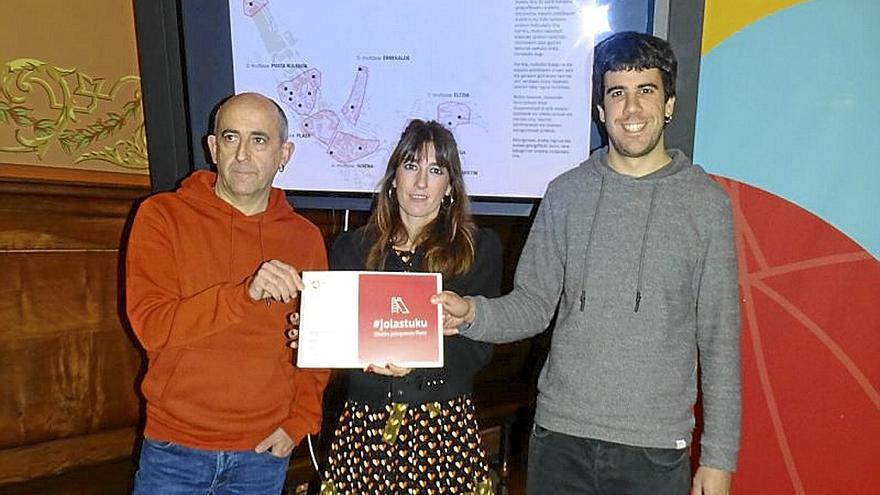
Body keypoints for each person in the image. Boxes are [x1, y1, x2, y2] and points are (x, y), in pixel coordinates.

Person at [434, 32, 741, 495]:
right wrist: (473, 313)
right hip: (560, 441)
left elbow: (720, 340)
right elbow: (533, 305)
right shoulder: (566, 193)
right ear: (601, 109)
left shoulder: (705, 204)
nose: (631, 109)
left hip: (655, 451)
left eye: (647, 91)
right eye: (617, 93)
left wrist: (718, 458)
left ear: (670, 104)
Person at [126, 92, 330, 494]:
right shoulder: (161, 217)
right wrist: (243, 296)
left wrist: (300, 421)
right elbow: (151, 327)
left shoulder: (305, 238)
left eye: (259, 140)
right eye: (231, 137)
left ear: (283, 153)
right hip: (174, 449)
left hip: (262, 454)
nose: (242, 154)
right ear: (213, 147)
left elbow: (315, 347)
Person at [315, 119, 502, 494]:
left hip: (442, 426)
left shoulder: (479, 249)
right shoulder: (351, 248)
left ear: (449, 186)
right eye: (411, 165)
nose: (421, 182)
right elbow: (341, 340)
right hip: (365, 424)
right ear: (393, 177)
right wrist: (317, 329)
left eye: (436, 170)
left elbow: (480, 347)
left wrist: (420, 359)